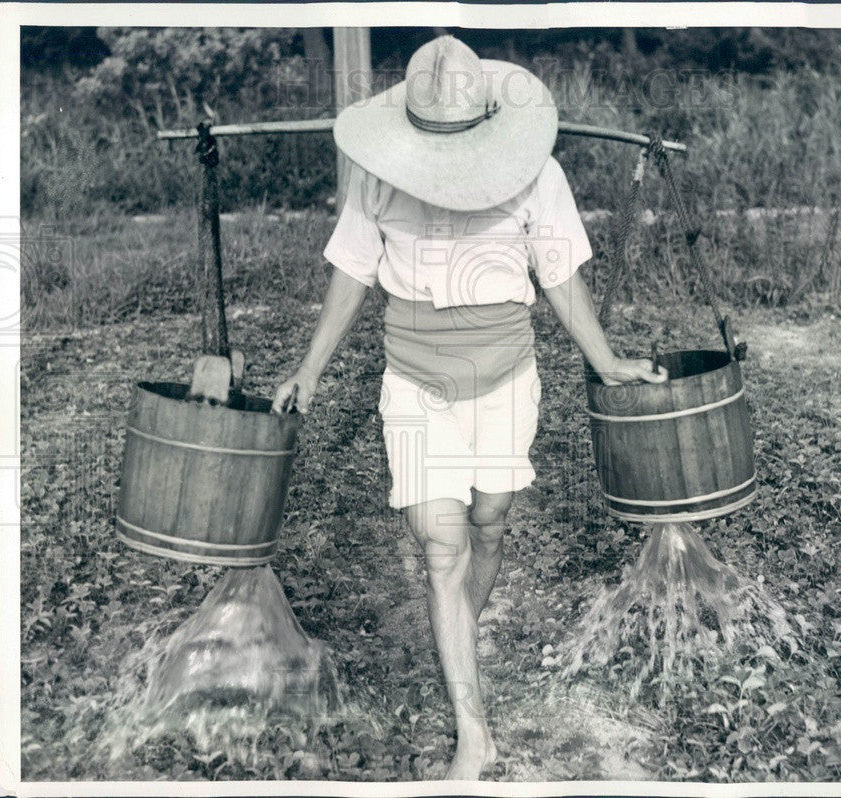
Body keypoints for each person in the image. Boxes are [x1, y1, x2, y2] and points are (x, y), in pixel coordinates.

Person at [272, 35, 667, 780]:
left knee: (488, 524)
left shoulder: (534, 173)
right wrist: (310, 368)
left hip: (506, 381)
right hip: (415, 384)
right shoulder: (381, 174)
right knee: (441, 549)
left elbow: (559, 275)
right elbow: (352, 271)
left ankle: (459, 632)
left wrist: (605, 358)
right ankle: (472, 731)